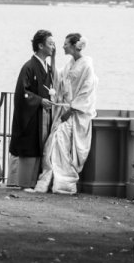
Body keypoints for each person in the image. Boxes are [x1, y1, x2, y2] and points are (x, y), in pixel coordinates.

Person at [28, 32, 98, 195]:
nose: (62, 46)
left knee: (61, 141)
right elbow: (58, 79)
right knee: (53, 142)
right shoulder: (69, 64)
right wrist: (52, 58)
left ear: (74, 46)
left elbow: (87, 91)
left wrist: (72, 110)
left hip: (75, 113)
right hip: (65, 111)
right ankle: (52, 180)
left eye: (65, 44)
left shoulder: (87, 65)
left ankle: (64, 183)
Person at [7, 29, 55, 189]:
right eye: (50, 43)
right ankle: (23, 181)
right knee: (29, 145)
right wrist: (40, 100)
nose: (53, 46)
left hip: (41, 114)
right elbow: (22, 93)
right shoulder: (29, 67)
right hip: (32, 115)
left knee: (39, 145)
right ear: (40, 46)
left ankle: (34, 181)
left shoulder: (47, 67)